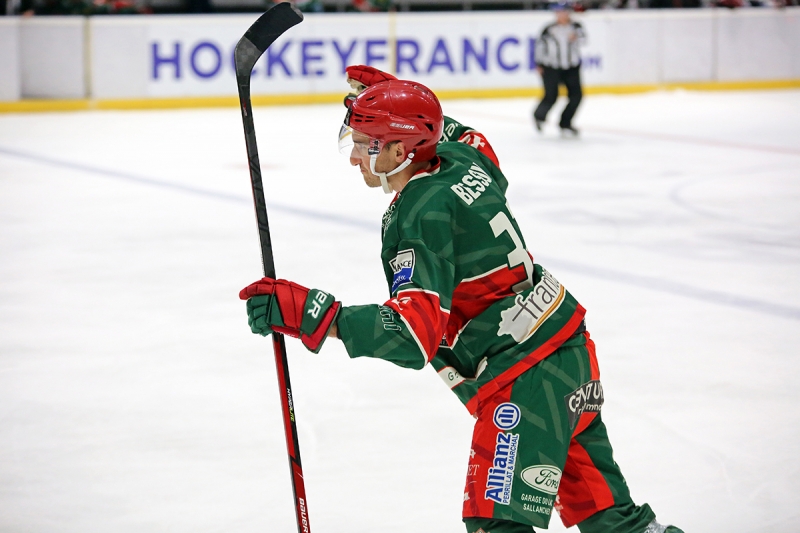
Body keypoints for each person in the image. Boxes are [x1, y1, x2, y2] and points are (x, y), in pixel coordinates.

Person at [239, 66, 683, 533]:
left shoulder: (420, 214)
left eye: (366, 143)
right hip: (566, 351)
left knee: (495, 525)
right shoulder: (463, 159)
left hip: (525, 378)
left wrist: (313, 313)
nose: (354, 157)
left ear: (399, 150)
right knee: (611, 520)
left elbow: (413, 336)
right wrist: (399, 100)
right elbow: (466, 136)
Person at [533, 2, 586, 137]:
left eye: (563, 12)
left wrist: (576, 37)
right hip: (551, 67)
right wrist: (539, 64)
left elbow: (584, 40)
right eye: (558, 12)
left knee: (576, 96)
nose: (561, 15)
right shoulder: (549, 29)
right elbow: (540, 47)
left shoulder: (576, 27)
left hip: (571, 67)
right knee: (551, 95)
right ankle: (539, 116)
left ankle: (565, 123)